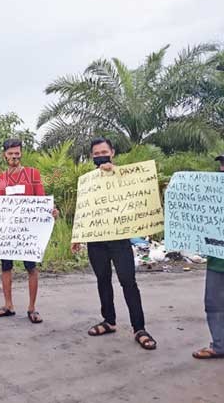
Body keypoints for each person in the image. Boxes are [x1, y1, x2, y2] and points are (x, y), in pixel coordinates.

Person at [72, 137, 156, 350]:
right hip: (96, 240)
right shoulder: (87, 181)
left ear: (112, 152)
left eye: (104, 152)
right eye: (96, 154)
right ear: (92, 156)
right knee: (102, 279)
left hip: (119, 239)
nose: (100, 156)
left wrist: (116, 172)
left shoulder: (125, 177)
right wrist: (77, 236)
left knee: (128, 282)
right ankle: (109, 321)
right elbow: (83, 210)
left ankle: (140, 328)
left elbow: (138, 196)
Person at [0, 139, 58, 323]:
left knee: (31, 267)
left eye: (17, 153)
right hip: (8, 232)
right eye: (10, 153)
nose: (14, 157)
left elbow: (42, 199)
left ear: (21, 154)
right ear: (4, 155)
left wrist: (52, 211)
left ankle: (32, 308)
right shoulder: (3, 178)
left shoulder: (33, 174)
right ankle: (8, 305)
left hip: (30, 232)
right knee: (6, 267)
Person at [192, 154, 224, 359]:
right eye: (222, 164)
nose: (223, 169)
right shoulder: (210, 192)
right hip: (216, 261)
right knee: (213, 304)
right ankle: (219, 346)